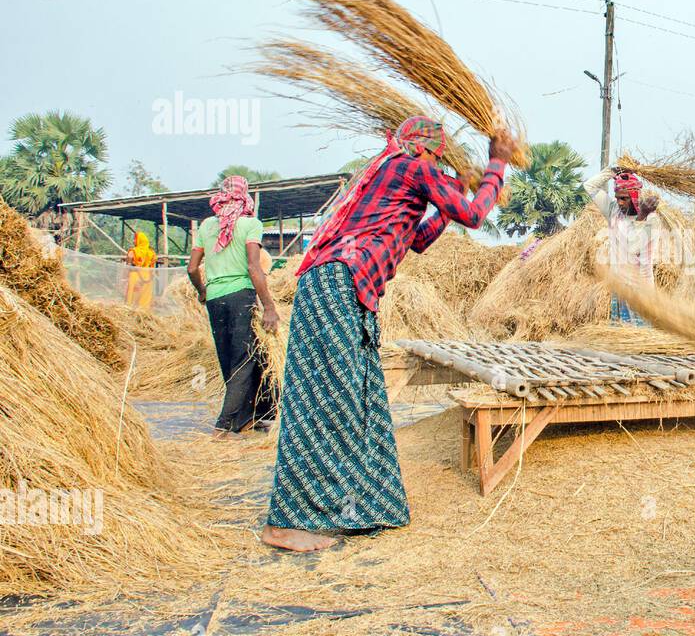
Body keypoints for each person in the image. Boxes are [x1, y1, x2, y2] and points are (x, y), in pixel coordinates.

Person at [262, 116, 516, 553]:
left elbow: (414, 240)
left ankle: (358, 507)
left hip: (344, 290)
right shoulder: (410, 166)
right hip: (338, 286)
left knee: (358, 397)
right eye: (437, 158)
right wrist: (496, 165)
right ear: (424, 150)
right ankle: (286, 521)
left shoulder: (394, 173)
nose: (437, 164)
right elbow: (473, 215)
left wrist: (449, 199)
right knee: (327, 401)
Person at [188, 176, 280, 438]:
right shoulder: (251, 224)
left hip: (215, 298)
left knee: (231, 357)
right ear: (245, 195)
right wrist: (269, 307)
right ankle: (223, 425)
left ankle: (256, 415)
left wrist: (203, 291)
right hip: (242, 296)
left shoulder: (206, 226)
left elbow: (193, 268)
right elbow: (254, 267)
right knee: (244, 360)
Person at [584, 165, 660, 324]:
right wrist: (612, 171)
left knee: (641, 337)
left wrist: (642, 216)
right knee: (620, 335)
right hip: (618, 287)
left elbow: (634, 247)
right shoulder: (613, 211)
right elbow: (589, 186)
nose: (619, 202)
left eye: (623, 198)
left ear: (634, 195)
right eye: (617, 197)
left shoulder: (651, 219)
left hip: (641, 290)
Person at [125, 230, 157, 311]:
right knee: (144, 295)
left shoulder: (134, 250)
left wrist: (128, 264)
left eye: (135, 239)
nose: (134, 241)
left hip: (135, 275)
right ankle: (143, 312)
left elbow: (130, 256)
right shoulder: (151, 252)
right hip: (147, 276)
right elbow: (152, 265)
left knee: (133, 294)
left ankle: (131, 310)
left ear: (139, 240)